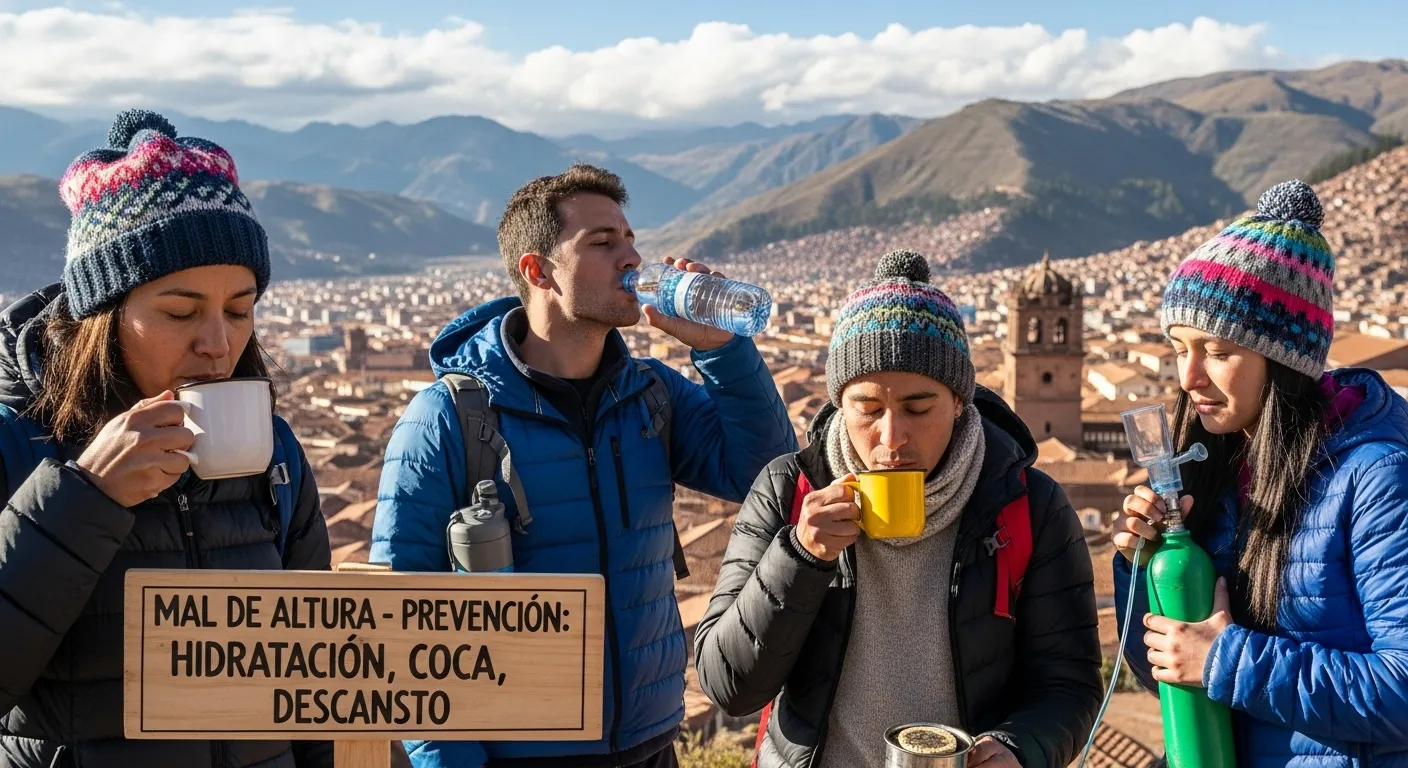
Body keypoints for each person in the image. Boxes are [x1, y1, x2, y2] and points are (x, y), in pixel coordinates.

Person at [370, 164, 797, 768]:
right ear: (538, 270)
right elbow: (401, 615)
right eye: (602, 243)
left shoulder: (652, 394)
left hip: (649, 742)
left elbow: (764, 475)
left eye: (629, 239)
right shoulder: (445, 418)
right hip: (520, 751)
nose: (631, 258)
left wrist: (724, 350)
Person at [0, 110, 333, 767]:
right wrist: (83, 497)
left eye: (240, 310)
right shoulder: (15, 445)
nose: (219, 344)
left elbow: (312, 681)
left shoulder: (276, 455)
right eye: (181, 311)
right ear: (103, 315)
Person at [694, 250, 1102, 768]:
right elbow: (728, 686)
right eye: (867, 410)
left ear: (959, 401)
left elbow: (1069, 683)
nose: (892, 438)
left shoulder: (1030, 505)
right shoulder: (786, 490)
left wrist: (1022, 748)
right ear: (840, 404)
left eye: (918, 408)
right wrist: (800, 555)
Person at [1114, 179, 1408, 766]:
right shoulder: (1215, 471)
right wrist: (1143, 571)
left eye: (1218, 352)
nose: (1188, 377)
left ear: (1283, 360)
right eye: (1180, 347)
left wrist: (1226, 661)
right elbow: (1168, 677)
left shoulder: (1376, 480)